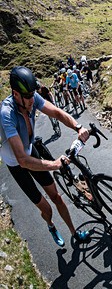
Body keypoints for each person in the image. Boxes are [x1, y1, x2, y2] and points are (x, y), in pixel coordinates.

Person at [1, 67, 91, 246]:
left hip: (30, 151)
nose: (32, 99)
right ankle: (50, 224)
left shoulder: (31, 98)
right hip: (17, 164)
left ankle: (74, 233)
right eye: (28, 96)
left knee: (57, 196)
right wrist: (54, 164)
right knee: (46, 207)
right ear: (15, 94)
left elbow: (56, 112)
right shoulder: (6, 114)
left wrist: (78, 127)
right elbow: (23, 161)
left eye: (33, 94)